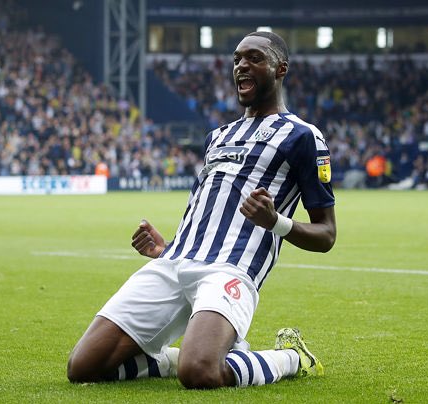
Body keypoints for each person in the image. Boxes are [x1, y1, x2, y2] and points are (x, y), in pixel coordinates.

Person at [67, 31, 337, 389]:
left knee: (200, 373)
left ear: (280, 69)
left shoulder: (302, 136)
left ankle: (290, 357)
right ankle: (173, 359)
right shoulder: (217, 137)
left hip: (229, 269)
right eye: (237, 59)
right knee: (83, 367)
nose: (242, 65)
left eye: (254, 58)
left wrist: (275, 222)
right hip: (173, 262)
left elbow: (326, 235)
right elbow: (207, 208)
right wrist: (170, 247)